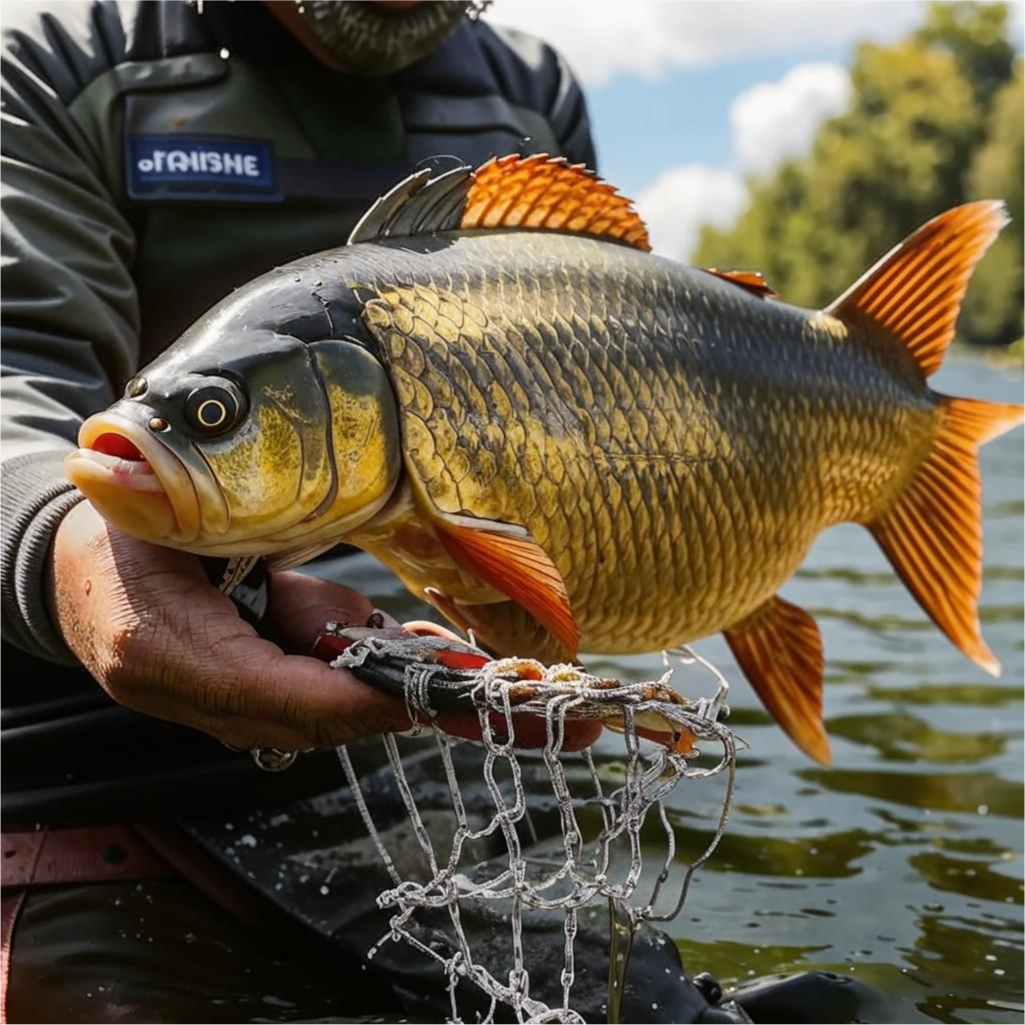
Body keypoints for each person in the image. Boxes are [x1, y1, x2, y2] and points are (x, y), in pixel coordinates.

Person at [0, 1, 605, 1021]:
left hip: (471, 774)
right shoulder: (58, 68)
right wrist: (63, 548)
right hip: (105, 784)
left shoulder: (530, 96)